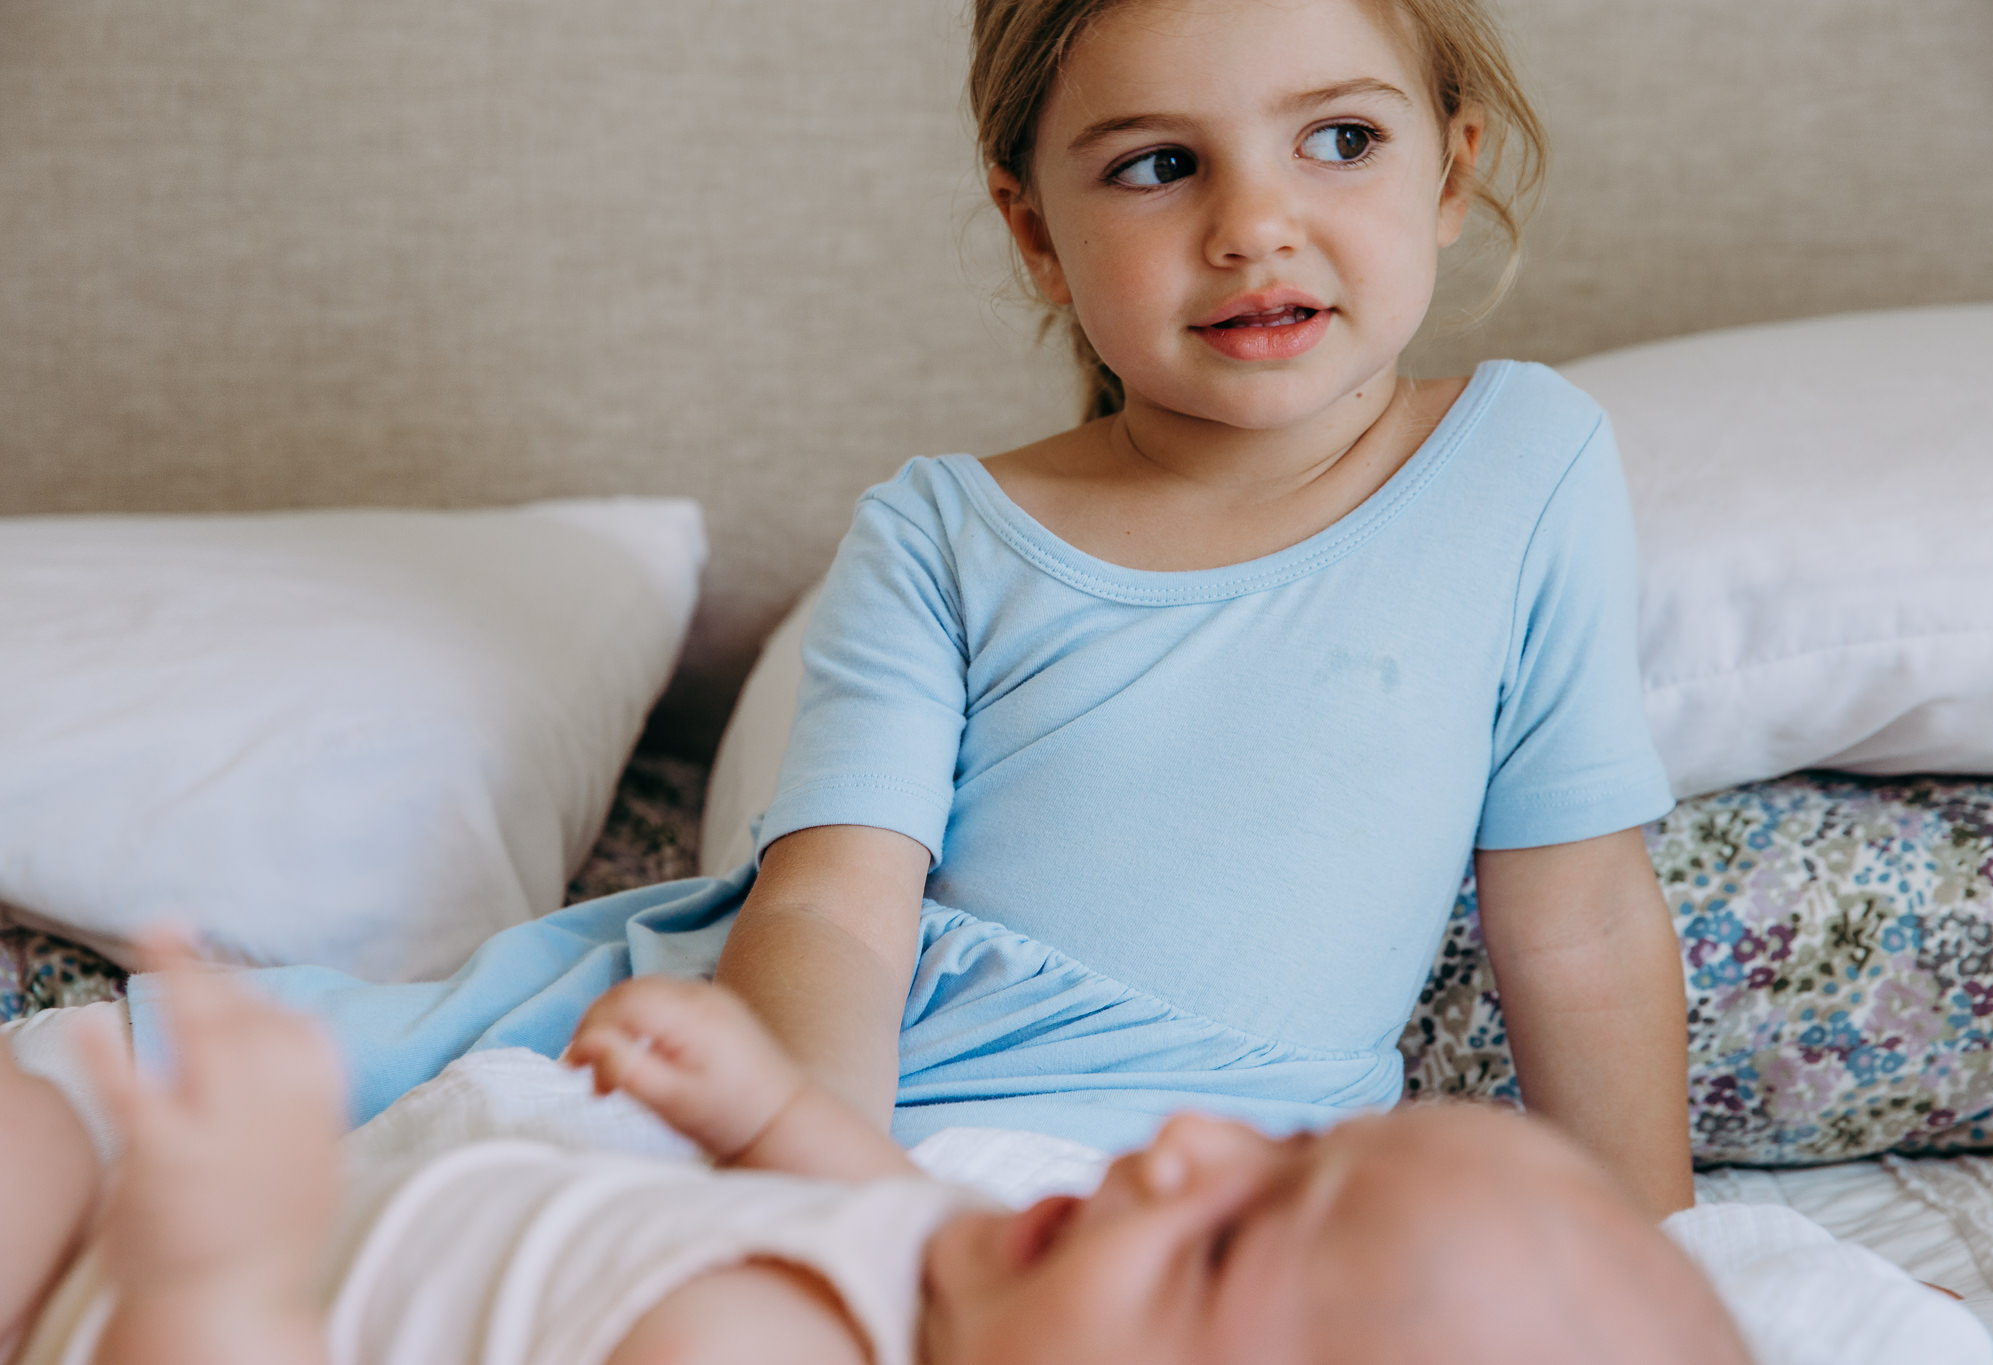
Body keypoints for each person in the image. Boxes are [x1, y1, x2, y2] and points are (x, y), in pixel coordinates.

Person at [121, 0, 1692, 1220]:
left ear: (1454, 167)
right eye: (1159, 164)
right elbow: (829, 910)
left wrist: (1663, 1256)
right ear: (1037, 232)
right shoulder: (946, 527)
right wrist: (801, 1172)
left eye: (1338, 141)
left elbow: (1585, 920)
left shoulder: (1525, 466)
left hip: (1208, 1153)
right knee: (134, 1110)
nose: (1252, 225)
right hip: (813, 1076)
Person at [2, 943, 1752, 1365]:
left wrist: (211, 1271)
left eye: (1229, 1246)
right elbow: (879, 1202)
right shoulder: (1000, 1288)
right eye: (1277, 1147)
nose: (1185, 1150)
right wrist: (759, 1109)